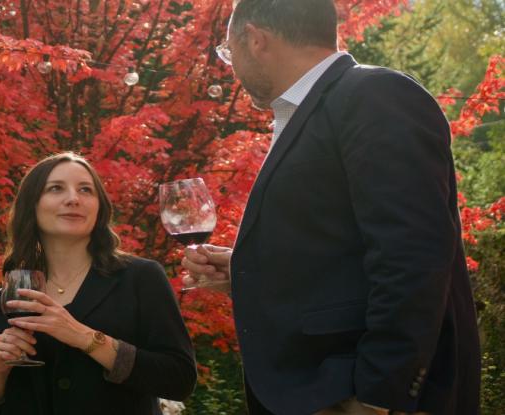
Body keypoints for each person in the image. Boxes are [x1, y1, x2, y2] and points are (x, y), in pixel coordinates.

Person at [180, 0, 480, 414]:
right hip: (320, 391)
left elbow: (414, 254)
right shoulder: (310, 112)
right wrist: (244, 271)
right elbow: (340, 256)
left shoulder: (374, 95)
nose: (232, 69)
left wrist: (379, 394)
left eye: (229, 53)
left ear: (254, 39)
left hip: (357, 394)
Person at [0, 152, 197, 414]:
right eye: (56, 189)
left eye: (86, 190)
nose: (73, 199)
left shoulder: (140, 278)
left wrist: (84, 337)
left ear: (99, 208)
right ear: (32, 205)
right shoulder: (1, 302)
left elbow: (180, 380)